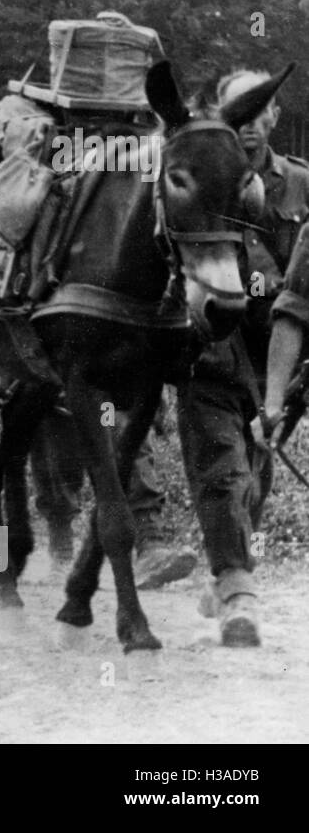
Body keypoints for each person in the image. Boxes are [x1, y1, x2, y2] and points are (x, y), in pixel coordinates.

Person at [171, 68, 309, 646]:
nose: (249, 129)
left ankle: (225, 570)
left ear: (274, 118)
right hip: (212, 349)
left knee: (255, 478)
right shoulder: (198, 178)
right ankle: (238, 593)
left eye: (259, 117)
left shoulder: (301, 185)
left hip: (278, 358)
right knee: (223, 471)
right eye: (238, 118)